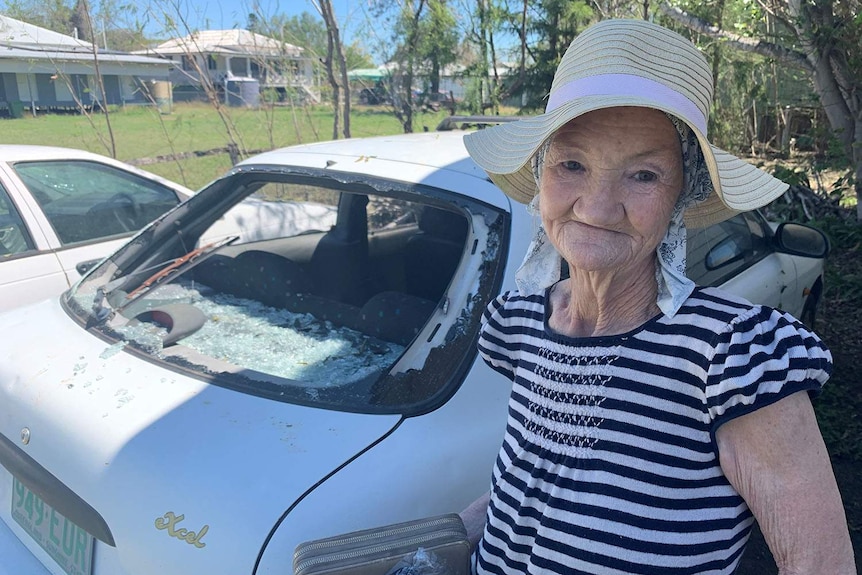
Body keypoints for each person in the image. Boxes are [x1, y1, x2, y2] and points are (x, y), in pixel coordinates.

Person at [459, 18, 856, 575]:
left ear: (682, 196)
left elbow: (820, 565)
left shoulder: (733, 355)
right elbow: (533, 487)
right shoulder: (523, 323)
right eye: (571, 164)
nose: (596, 209)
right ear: (541, 173)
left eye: (643, 175)